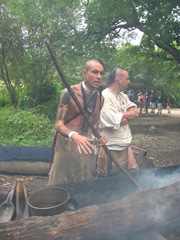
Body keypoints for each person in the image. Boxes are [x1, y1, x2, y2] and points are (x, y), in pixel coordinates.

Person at [48, 58, 107, 185]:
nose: (99, 77)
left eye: (101, 73)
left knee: (84, 180)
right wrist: (74, 135)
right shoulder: (68, 93)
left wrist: (99, 137)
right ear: (84, 73)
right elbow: (58, 125)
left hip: (86, 144)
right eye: (95, 72)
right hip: (67, 143)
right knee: (60, 181)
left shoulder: (100, 98)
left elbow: (94, 124)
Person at [97, 68, 139, 177]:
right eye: (127, 79)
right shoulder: (105, 96)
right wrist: (125, 116)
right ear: (119, 80)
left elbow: (135, 113)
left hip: (124, 144)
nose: (129, 81)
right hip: (110, 147)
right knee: (110, 180)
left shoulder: (123, 96)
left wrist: (121, 114)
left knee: (123, 178)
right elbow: (118, 121)